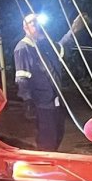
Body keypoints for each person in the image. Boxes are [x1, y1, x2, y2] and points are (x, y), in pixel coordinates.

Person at [14, 12, 85, 151]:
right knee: (47, 139)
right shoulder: (23, 48)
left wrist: (74, 30)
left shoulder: (46, 45)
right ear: (25, 27)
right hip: (42, 103)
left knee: (58, 133)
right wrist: (28, 101)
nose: (37, 26)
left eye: (38, 23)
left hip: (56, 101)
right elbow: (22, 78)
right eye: (33, 23)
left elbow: (63, 48)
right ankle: (44, 166)